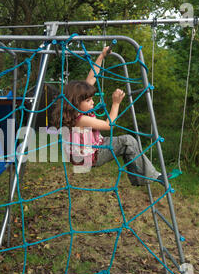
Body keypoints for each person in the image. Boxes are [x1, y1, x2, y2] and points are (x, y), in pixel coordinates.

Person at [52, 46, 164, 186]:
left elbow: (91, 78)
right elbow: (108, 125)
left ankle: (141, 177)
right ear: (76, 101)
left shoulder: (76, 110)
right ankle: (153, 176)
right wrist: (115, 103)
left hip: (92, 146)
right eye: (88, 100)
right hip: (91, 156)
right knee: (127, 141)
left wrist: (101, 56)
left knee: (128, 146)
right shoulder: (81, 119)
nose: (92, 102)